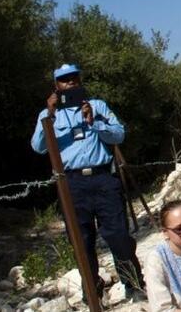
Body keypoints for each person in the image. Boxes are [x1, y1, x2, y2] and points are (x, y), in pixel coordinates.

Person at [30, 63, 145, 299]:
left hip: (103, 178)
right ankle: (92, 290)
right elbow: (38, 147)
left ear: (80, 81)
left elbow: (119, 134)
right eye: (64, 80)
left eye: (74, 78)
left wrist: (95, 122)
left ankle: (134, 284)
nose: (70, 82)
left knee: (118, 235)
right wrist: (50, 114)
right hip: (71, 184)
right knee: (81, 240)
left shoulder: (97, 106)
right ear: (56, 86)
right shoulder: (47, 114)